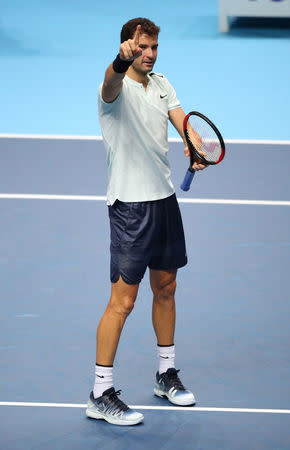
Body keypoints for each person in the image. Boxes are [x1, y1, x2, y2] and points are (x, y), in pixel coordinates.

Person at [86, 17, 206, 426]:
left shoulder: (161, 83)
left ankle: (165, 373)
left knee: (167, 288)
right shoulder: (113, 92)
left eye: (154, 47)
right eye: (142, 48)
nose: (149, 54)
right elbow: (109, 82)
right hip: (130, 208)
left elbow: (181, 120)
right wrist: (119, 63)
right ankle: (100, 392)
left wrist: (194, 143)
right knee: (123, 302)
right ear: (126, 47)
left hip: (164, 200)